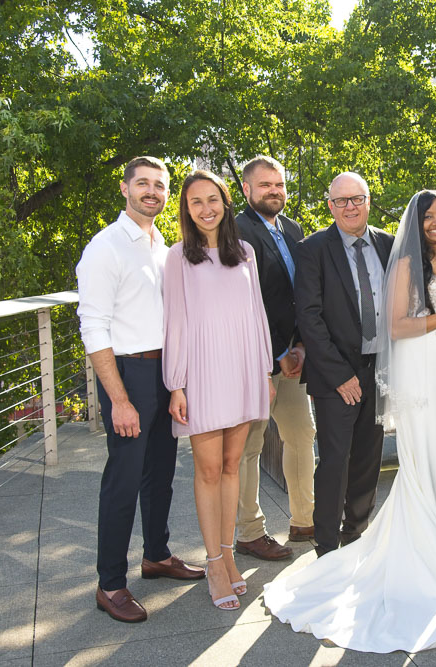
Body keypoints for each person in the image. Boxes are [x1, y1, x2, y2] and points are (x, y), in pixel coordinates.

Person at [263, 191, 436, 652]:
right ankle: (396, 549)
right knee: (412, 453)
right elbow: (396, 325)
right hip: (420, 364)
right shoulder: (405, 259)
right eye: (428, 215)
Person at [77, 156, 204, 624]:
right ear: (126, 188)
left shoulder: (161, 245)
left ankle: (157, 555)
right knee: (123, 482)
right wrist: (120, 399)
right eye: (143, 184)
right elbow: (94, 327)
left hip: (162, 375)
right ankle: (110, 584)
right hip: (127, 375)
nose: (152, 191)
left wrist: (177, 384)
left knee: (161, 475)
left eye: (160, 185)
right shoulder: (105, 247)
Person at [162, 169, 275, 610]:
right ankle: (212, 562)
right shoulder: (178, 257)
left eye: (213, 199)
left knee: (233, 467)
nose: (206, 208)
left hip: (244, 368)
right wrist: (177, 384)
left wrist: (264, 370)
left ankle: (229, 557)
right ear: (187, 210)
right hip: (203, 373)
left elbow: (257, 315)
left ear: (227, 202)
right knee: (208, 471)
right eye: (196, 202)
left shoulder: (244, 251)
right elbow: (176, 321)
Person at [293, 172, 394, 557]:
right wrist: (340, 375)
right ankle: (327, 546)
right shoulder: (313, 249)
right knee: (335, 461)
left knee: (370, 457)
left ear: (368, 200)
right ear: (330, 205)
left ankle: (357, 533)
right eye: (341, 201)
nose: (350, 207)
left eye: (357, 199)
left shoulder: (388, 244)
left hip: (381, 368)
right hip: (335, 374)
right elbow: (310, 318)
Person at [233, 155, 316, 561]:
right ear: (247, 190)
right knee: (249, 446)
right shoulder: (236, 231)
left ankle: (305, 519)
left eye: (279, 184)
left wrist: (299, 346)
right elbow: (248, 303)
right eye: (265, 185)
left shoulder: (293, 228)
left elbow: (298, 294)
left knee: (301, 435)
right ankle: (249, 532)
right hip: (256, 361)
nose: (274, 191)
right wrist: (277, 354)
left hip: (293, 358)